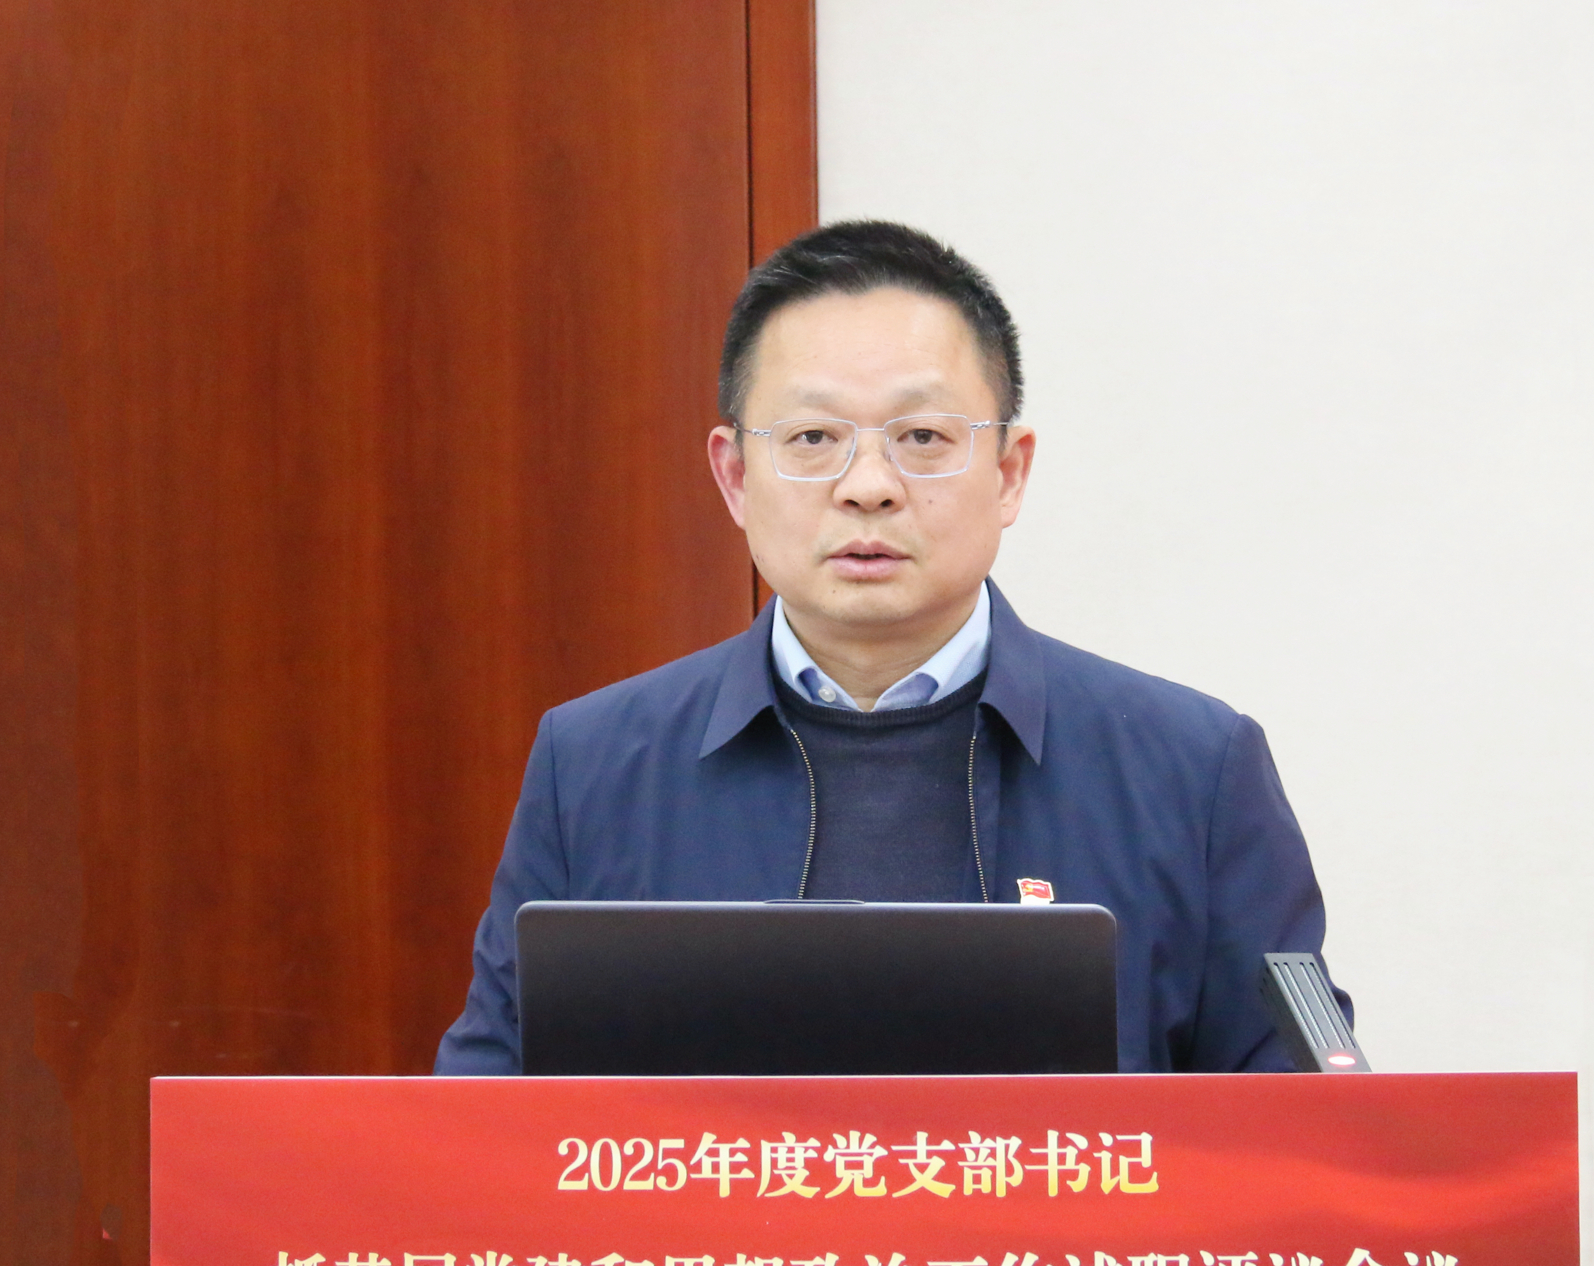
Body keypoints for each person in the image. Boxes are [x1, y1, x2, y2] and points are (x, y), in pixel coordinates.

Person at [435, 220, 1350, 1075]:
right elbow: (482, 1118)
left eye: (921, 437)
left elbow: (1305, 1128)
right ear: (735, 476)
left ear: (1009, 472)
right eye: (813, 437)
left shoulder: (1193, 769)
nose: (868, 485)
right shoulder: (594, 767)